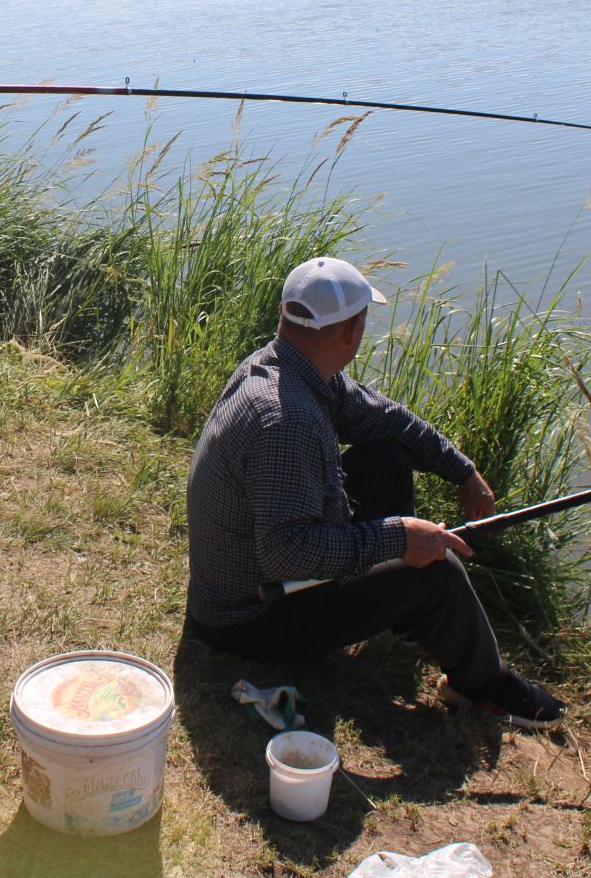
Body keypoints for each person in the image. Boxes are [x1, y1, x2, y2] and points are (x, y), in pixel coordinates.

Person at [185, 256, 567, 730]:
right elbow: (287, 554)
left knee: (386, 457)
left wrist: (462, 471)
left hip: (263, 577)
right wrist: (399, 539)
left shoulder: (289, 367)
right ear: (351, 332)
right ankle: (484, 686)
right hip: (249, 617)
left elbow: (386, 419)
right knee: (438, 572)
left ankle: (409, 617)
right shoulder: (286, 421)